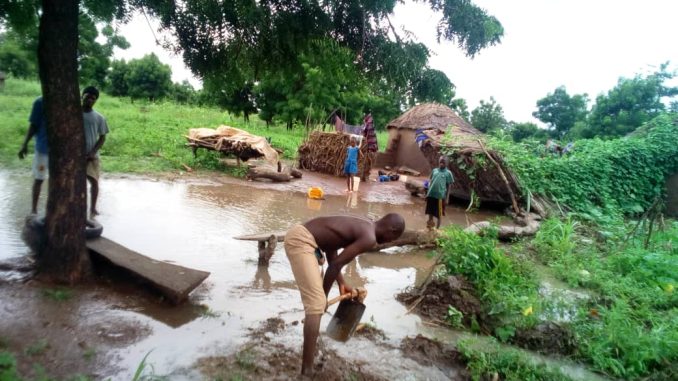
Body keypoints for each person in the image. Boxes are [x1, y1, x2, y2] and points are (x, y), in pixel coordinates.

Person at [284, 213, 405, 376]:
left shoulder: (366, 224)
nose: (391, 241)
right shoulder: (369, 237)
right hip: (302, 241)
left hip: (314, 247)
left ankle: (310, 351)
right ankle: (306, 371)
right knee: (316, 304)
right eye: (394, 237)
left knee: (317, 302)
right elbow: (334, 265)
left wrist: (342, 283)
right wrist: (324, 298)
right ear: (392, 229)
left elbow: (331, 251)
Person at [82, 86, 109, 219]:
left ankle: (92, 208)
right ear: (82, 96)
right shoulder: (73, 114)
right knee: (77, 184)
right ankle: (80, 208)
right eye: (88, 97)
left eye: (93, 98)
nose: (90, 100)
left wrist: (92, 152)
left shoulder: (99, 118)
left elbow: (102, 137)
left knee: (94, 182)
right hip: (76, 156)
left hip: (92, 157)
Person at [18, 96, 48, 215]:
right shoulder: (40, 102)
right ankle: (34, 210)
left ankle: (51, 210)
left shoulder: (66, 99)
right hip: (43, 150)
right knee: (39, 178)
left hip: (61, 153)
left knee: (58, 181)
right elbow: (33, 125)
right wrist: (24, 144)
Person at [426, 157, 454, 229]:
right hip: (431, 194)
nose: (441, 163)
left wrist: (447, 198)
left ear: (447, 164)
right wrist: (427, 193)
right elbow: (431, 182)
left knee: (439, 213)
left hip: (440, 196)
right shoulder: (434, 170)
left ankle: (437, 229)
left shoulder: (448, 173)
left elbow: (449, 186)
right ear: (438, 161)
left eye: (443, 162)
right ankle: (430, 226)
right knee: (430, 211)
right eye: (440, 161)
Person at [361, 112, 378, 181]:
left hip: (371, 147)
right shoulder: (369, 123)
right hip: (371, 147)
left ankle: (365, 176)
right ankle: (365, 176)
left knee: (367, 161)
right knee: (367, 162)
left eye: (364, 117)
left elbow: (365, 133)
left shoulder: (369, 123)